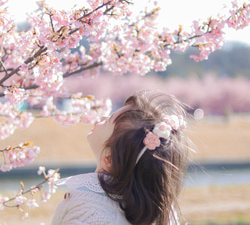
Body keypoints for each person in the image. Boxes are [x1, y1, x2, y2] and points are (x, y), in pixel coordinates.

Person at [51, 90, 191, 225]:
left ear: (109, 158)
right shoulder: (161, 211)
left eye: (108, 120)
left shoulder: (86, 205)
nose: (102, 118)